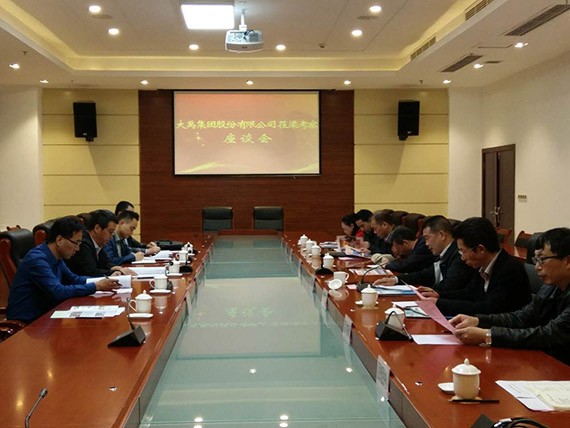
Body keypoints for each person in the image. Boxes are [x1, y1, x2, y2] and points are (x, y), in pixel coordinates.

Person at [452, 227, 570, 366]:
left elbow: (548, 335)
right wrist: (478, 321)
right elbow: (521, 317)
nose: (537, 267)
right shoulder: (550, 287)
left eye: (542, 259)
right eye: (536, 260)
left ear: (568, 261)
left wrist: (487, 335)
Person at [6, 216, 121, 323]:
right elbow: (58, 292)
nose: (77, 249)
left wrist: (103, 281)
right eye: (76, 243)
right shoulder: (37, 259)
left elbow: (74, 279)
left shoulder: (57, 256)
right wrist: (96, 286)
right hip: (28, 323)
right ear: (59, 240)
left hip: (48, 315)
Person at [418, 217, 531, 316]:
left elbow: (488, 308)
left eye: (463, 251)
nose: (462, 258)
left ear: (480, 249)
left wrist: (440, 303)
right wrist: (439, 295)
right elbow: (469, 293)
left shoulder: (509, 270)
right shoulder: (482, 266)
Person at [374, 215, 477, 292]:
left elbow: (449, 287)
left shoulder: (459, 256)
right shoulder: (444, 254)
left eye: (427, 238)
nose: (426, 244)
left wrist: (421, 291)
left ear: (441, 235)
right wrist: (396, 280)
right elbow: (426, 274)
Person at [66, 210, 132, 277]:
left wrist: (114, 267)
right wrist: (112, 272)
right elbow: (90, 272)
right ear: (97, 228)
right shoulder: (83, 244)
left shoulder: (98, 243)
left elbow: (105, 263)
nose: (111, 237)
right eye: (110, 232)